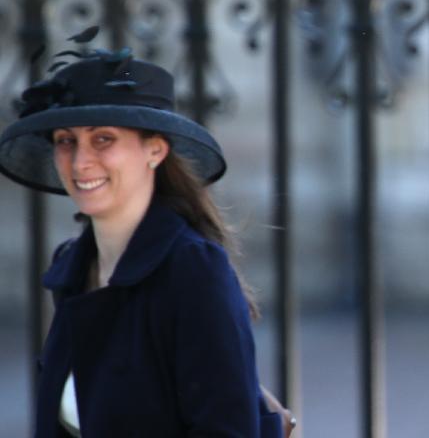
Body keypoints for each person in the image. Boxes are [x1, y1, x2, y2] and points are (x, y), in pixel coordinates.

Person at [0, 30, 294, 437]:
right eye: (67, 141)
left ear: (155, 150)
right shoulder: (71, 269)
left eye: (103, 139)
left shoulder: (192, 270)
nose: (81, 161)